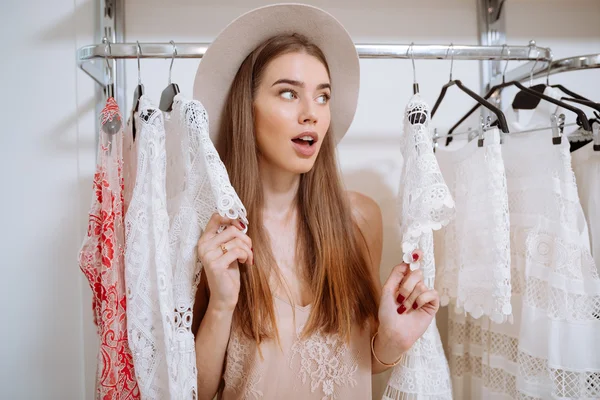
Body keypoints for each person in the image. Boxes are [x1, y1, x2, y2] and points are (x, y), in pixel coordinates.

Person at [192, 4, 440, 399]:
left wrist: (393, 340)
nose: (311, 114)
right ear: (246, 108)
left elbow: (359, 363)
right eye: (288, 93)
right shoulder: (212, 238)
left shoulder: (360, 219)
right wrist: (222, 303)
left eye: (322, 97)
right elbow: (195, 393)